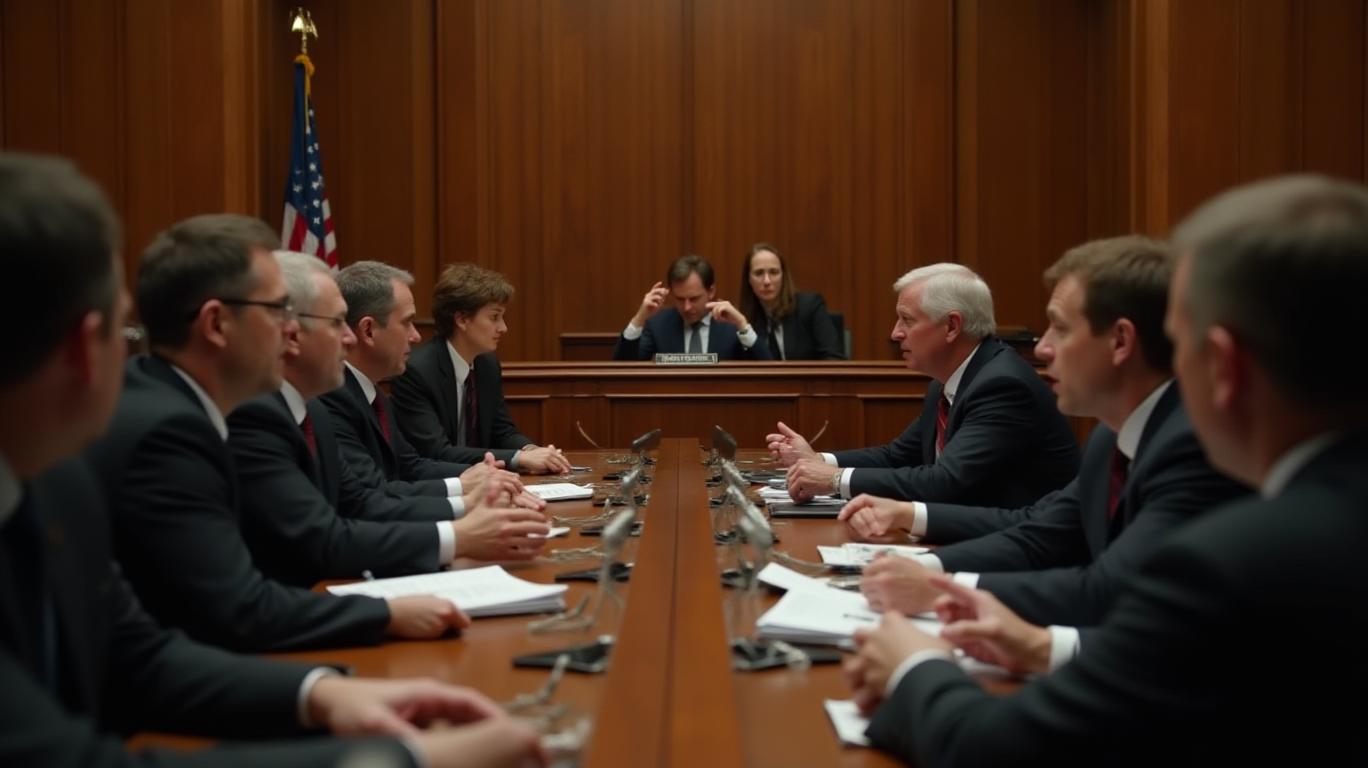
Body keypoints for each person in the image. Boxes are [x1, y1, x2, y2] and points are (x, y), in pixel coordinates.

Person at [0, 151, 545, 767]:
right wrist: (404, 758)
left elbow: (135, 656)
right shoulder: (162, 432)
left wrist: (323, 694)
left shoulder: (55, 475)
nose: (296, 332)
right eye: (121, 329)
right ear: (84, 347)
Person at [846, 174, 1368, 767]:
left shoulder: (1244, 558)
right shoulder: (1128, 450)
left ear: (1224, 366)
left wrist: (915, 666)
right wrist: (1043, 644)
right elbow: (1052, 535)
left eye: (1180, 343)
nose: (1042, 348)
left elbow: (998, 749)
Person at [85, 218, 470, 652]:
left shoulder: (207, 407)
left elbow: (353, 506)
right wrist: (386, 615)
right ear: (216, 324)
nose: (291, 331)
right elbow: (239, 608)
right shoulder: (171, 432)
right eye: (278, 311)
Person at [842, 237, 1248, 632]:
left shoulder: (1192, 445)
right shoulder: (1112, 436)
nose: (1042, 348)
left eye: (1060, 328)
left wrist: (939, 589)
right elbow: (1039, 533)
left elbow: (1111, 590)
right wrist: (923, 567)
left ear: (1120, 341)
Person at [229, 253, 550, 588]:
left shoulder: (318, 409)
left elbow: (364, 497)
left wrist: (467, 503)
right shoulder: (261, 415)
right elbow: (326, 534)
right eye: (337, 323)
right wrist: (458, 533)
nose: (348, 338)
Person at [770, 263, 1079, 507]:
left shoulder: (1002, 385)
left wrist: (834, 479)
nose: (895, 333)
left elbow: (946, 481)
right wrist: (818, 461)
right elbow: (898, 456)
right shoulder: (949, 381)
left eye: (907, 320)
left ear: (952, 326)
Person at [321, 260, 517, 509]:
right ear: (368, 331)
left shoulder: (374, 395)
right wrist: (464, 492)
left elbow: (411, 465)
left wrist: (486, 475)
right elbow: (370, 494)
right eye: (406, 322)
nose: (415, 336)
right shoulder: (332, 398)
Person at [392, 262, 571, 472]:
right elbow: (437, 451)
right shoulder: (416, 371)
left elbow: (502, 431)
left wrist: (532, 450)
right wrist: (519, 458)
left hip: (484, 480)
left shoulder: (487, 364)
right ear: (462, 319)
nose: (503, 328)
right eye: (494, 317)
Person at [612, 254, 775, 360]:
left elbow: (768, 370)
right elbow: (621, 370)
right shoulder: (658, 325)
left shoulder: (732, 325)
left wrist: (742, 325)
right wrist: (639, 318)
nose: (687, 307)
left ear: (711, 291)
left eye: (694, 299)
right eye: (680, 299)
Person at [739, 243, 845, 360]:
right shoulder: (744, 319)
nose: (767, 281)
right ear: (749, 279)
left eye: (774, 272)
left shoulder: (809, 307)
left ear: (783, 276)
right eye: (759, 273)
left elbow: (834, 358)